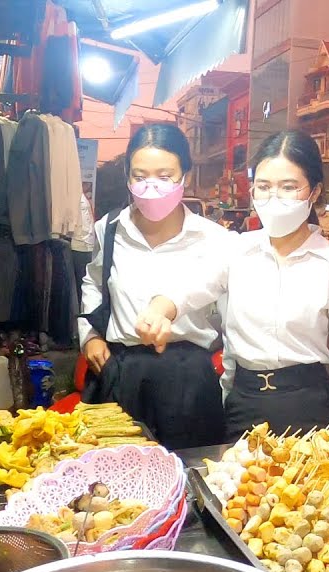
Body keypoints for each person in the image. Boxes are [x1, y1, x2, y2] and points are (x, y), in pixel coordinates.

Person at [135, 130, 329, 440]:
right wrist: (159, 310)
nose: (274, 197)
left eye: (288, 187)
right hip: (244, 402)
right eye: (264, 186)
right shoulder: (237, 250)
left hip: (309, 404)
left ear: (314, 192)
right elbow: (192, 286)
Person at [78, 123, 230, 450]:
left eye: (165, 176)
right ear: (127, 177)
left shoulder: (214, 239)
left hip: (189, 379)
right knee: (117, 472)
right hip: (122, 373)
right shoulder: (110, 229)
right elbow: (93, 282)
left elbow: (227, 312)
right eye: (140, 176)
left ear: (185, 175)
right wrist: (89, 336)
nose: (152, 186)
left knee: (190, 471)